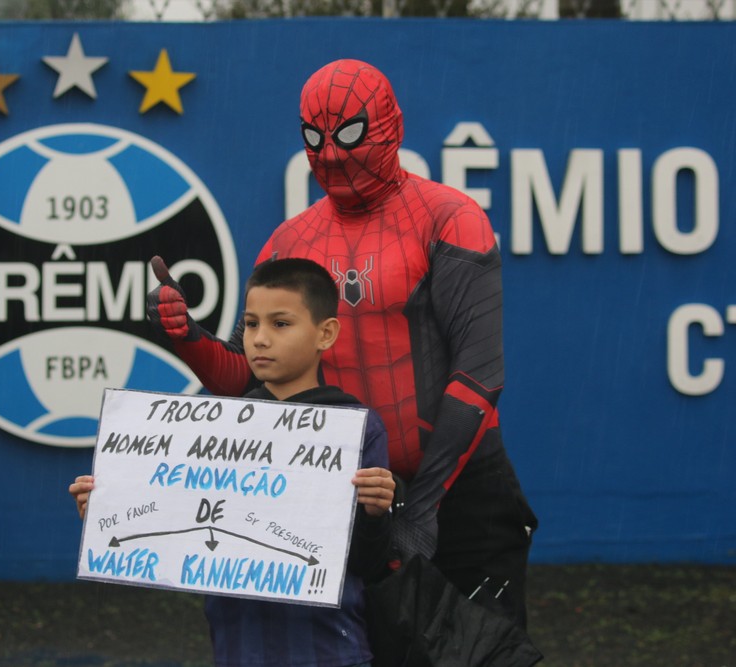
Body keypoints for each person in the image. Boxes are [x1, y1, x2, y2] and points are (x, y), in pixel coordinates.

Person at [146, 58, 539, 628]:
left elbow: (480, 371)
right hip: (345, 491)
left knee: (479, 651)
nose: (330, 153)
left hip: (463, 491)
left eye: (349, 133)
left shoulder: (451, 218)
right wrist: (185, 336)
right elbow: (247, 373)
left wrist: (425, 503)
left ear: (391, 125)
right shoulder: (290, 240)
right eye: (314, 137)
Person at [72, 257, 397, 667]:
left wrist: (375, 512)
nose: (260, 339)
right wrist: (110, 511)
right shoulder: (216, 428)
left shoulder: (358, 429)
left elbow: (368, 565)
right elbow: (181, 526)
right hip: (236, 647)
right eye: (251, 324)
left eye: (280, 324)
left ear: (326, 333)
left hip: (329, 650)